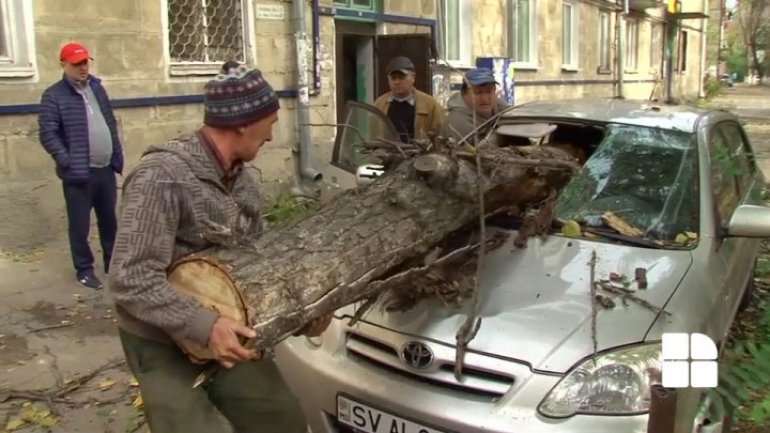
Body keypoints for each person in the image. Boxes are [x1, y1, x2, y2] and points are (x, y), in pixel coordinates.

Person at [108, 65, 331, 433]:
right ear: (243, 123)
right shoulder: (162, 176)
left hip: (228, 325)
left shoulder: (243, 182)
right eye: (271, 121)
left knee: (282, 419)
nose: (273, 134)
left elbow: (257, 267)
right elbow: (130, 278)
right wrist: (205, 326)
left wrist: (300, 313)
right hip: (159, 338)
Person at [38, 42, 124, 290]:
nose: (83, 68)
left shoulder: (97, 88)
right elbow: (48, 134)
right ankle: (84, 270)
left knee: (110, 221)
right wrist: (67, 160)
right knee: (80, 225)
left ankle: (113, 265)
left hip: (105, 169)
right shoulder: (54, 95)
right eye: (77, 64)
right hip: (79, 173)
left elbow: (108, 121)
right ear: (63, 65)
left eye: (85, 62)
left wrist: (116, 154)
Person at [374, 56, 444, 143]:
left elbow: (440, 135)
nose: (397, 82)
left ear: (413, 77)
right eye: (393, 78)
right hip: (387, 155)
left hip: (419, 155)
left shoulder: (430, 104)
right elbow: (373, 135)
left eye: (401, 77)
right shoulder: (380, 104)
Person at [442, 67, 509, 144]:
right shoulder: (457, 123)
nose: (485, 99)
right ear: (464, 94)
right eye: (478, 93)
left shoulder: (502, 109)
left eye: (489, 92)